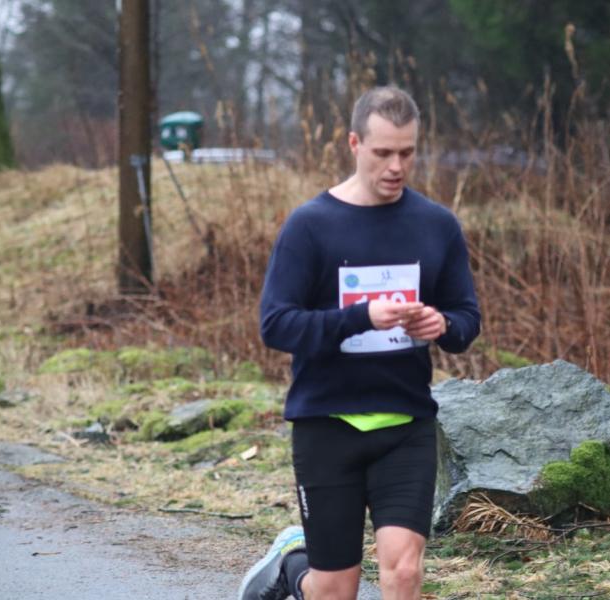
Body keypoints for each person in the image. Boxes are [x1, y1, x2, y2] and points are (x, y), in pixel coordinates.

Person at [239, 86, 481, 600]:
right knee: (334, 590)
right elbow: (276, 325)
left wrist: (442, 325)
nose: (396, 166)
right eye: (383, 153)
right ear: (354, 143)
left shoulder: (436, 226)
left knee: (403, 572)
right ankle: (293, 570)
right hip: (327, 424)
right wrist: (359, 318)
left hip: (406, 424)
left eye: (408, 153)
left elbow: (467, 320)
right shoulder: (311, 226)